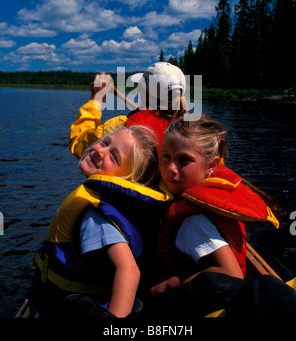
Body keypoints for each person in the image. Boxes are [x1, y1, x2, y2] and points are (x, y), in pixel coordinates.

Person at [145, 116, 295, 318]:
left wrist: (169, 284)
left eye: (184, 160)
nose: (171, 169)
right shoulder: (194, 203)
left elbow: (229, 273)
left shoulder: (192, 222)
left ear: (212, 166)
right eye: (166, 156)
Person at [28, 125, 172, 319]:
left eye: (114, 157)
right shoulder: (104, 202)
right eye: (105, 142)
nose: (99, 150)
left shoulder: (95, 216)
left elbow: (129, 271)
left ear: (128, 179)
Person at [69, 62, 188, 159]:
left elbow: (79, 144)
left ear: (144, 92)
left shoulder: (120, 126)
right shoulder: (189, 129)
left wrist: (96, 98)